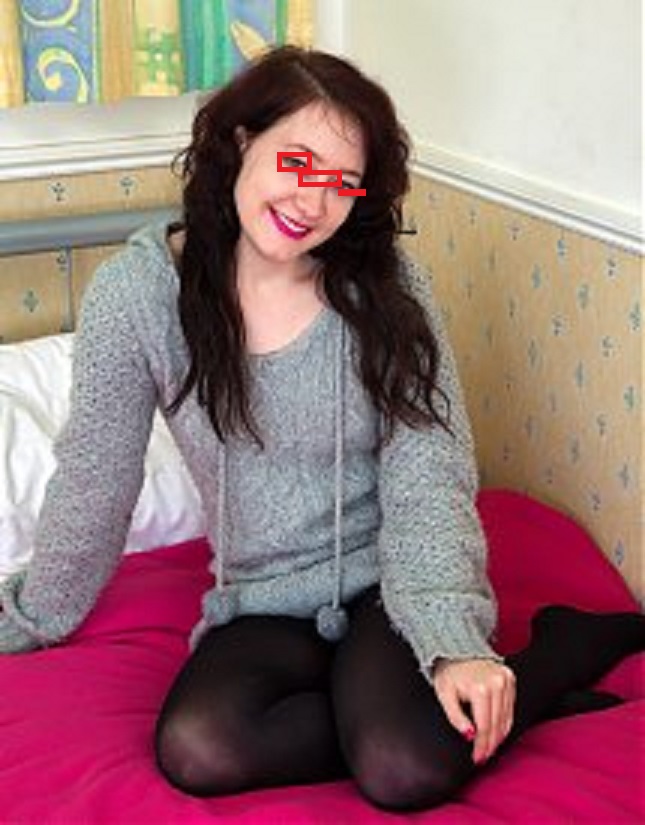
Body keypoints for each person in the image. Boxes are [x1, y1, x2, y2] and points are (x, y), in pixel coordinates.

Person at [0, 45, 643, 812]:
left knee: (402, 768)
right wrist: (36, 612)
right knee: (198, 746)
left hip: (386, 579)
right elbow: (96, 475)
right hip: (261, 594)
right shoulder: (138, 297)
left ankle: (556, 652)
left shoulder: (385, 292)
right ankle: (452, 706)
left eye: (341, 182)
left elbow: (430, 469)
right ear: (242, 139)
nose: (312, 201)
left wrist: (450, 640)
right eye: (296, 161)